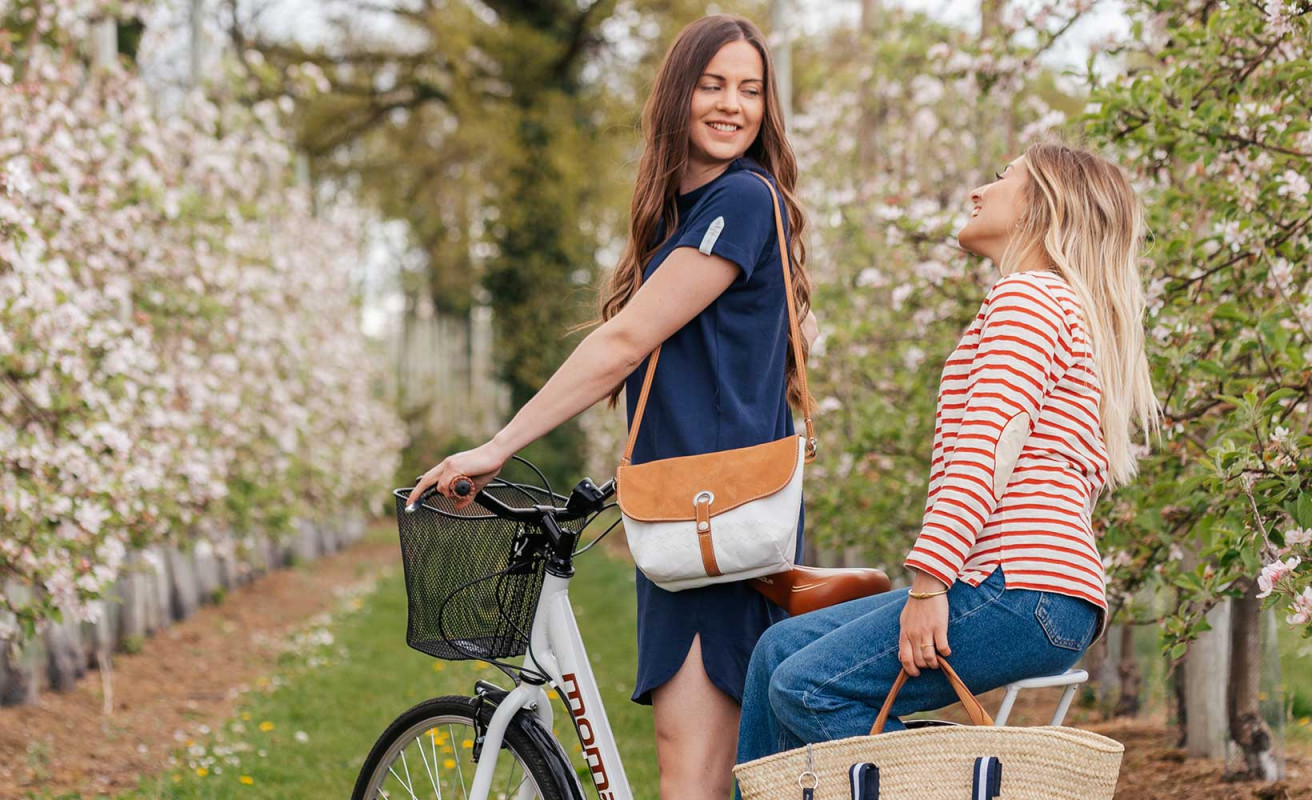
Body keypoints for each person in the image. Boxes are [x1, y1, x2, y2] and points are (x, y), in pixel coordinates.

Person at [408, 15, 816, 800]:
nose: (734, 104)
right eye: (714, 84)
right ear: (676, 96)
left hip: (715, 516)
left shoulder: (743, 197)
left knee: (690, 773)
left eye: (751, 89)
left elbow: (624, 342)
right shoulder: (686, 215)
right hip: (682, 507)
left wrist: (496, 445)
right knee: (691, 763)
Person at [735, 141, 1163, 769]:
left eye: (1000, 178)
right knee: (778, 654)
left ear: (1041, 207)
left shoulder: (1028, 300)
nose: (978, 191)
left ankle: (975, 784)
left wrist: (930, 583)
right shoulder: (1059, 305)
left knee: (808, 688)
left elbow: (986, 448)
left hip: (1018, 589)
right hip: (1034, 593)